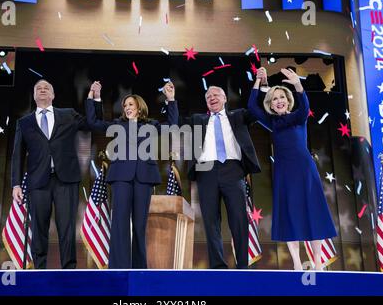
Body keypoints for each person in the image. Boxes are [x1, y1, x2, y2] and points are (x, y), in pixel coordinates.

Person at [248, 67, 337, 270]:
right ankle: (297, 262)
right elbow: (252, 107)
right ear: (270, 105)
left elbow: (305, 105)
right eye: (274, 99)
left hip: (305, 170)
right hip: (284, 173)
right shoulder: (272, 122)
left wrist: (298, 84)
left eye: (281, 97)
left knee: (313, 211)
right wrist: (257, 80)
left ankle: (317, 261)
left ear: (288, 100)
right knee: (289, 213)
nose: (278, 101)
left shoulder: (299, 116)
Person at [86, 81, 178, 269]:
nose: (127, 108)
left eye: (130, 104)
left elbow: (173, 124)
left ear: (139, 107)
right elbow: (94, 123)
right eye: (125, 105)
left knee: (139, 224)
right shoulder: (117, 124)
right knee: (119, 222)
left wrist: (171, 100)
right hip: (121, 177)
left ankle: (138, 267)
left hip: (144, 178)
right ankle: (118, 266)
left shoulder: (151, 124)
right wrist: (94, 98)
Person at [11, 79, 91, 269]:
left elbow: (91, 124)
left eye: (47, 87)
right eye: (38, 88)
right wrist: (15, 184)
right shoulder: (24, 122)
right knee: (39, 228)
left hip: (66, 180)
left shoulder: (68, 115)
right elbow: (17, 155)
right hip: (38, 182)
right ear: (34, 95)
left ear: (53, 95)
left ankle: (69, 270)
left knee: (67, 228)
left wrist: (93, 100)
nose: (43, 90)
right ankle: (39, 270)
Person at [182, 86, 261, 269]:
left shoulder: (238, 116)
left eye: (216, 94)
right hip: (205, 171)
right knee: (210, 221)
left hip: (233, 170)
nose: (212, 97)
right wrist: (170, 100)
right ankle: (217, 266)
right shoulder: (197, 119)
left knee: (239, 219)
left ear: (225, 98)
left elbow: (257, 111)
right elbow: (174, 122)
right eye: (208, 96)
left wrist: (259, 85)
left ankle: (242, 265)